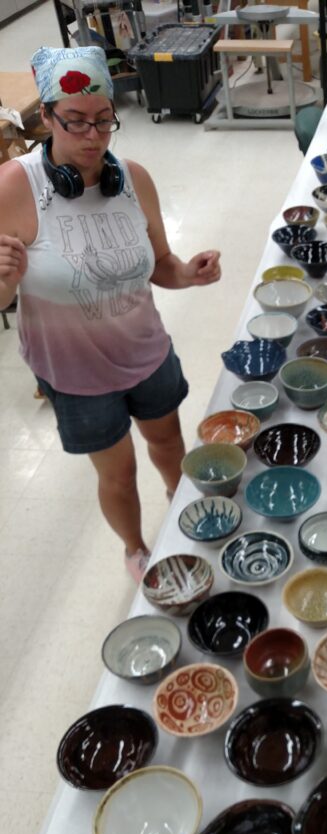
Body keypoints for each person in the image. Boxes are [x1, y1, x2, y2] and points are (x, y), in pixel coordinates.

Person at [0, 45, 221, 582]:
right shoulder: (14, 187)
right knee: (117, 475)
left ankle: (180, 498)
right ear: (46, 118)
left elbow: (159, 264)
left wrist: (187, 273)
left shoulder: (134, 179)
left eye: (104, 121)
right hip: (76, 375)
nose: (93, 137)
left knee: (168, 440)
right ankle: (135, 549)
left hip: (147, 350)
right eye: (75, 122)